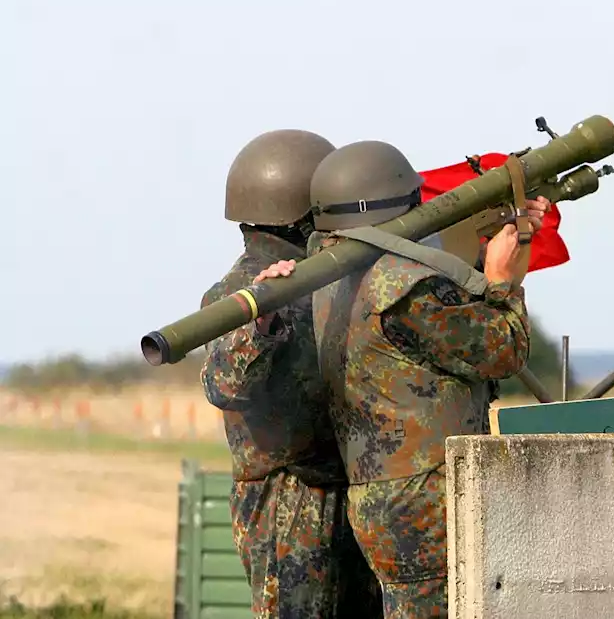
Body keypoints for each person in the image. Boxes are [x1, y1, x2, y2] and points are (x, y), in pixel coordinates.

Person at [307, 139, 544, 619]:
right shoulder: (404, 287)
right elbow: (503, 349)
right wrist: (502, 279)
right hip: (426, 502)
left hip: (380, 496)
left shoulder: (330, 280)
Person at [201, 129, 381, 618]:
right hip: (290, 500)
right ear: (304, 215)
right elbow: (225, 384)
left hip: (343, 486)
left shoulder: (324, 278)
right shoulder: (238, 293)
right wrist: (262, 318)